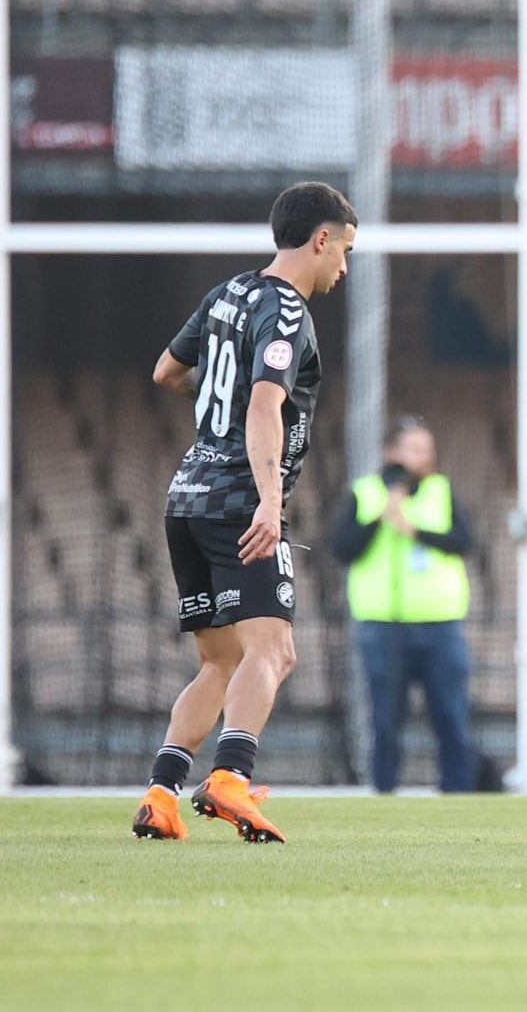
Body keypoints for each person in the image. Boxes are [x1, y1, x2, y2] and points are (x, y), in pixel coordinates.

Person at [132, 182, 357, 844]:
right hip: (237, 501)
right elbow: (264, 404)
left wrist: (216, 406)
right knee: (275, 649)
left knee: (220, 661)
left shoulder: (226, 293)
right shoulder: (287, 311)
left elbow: (166, 373)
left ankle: (161, 795)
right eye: (344, 251)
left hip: (188, 498)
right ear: (320, 240)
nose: (343, 267)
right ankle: (231, 779)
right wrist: (267, 499)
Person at [328, 417, 479, 794]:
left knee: (451, 715)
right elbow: (343, 548)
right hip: (383, 625)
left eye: (427, 450)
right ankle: (384, 793)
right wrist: (383, 516)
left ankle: (457, 794)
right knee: (385, 718)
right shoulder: (364, 493)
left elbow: (463, 540)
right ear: (391, 452)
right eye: (413, 449)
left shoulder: (442, 490)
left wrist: (416, 531)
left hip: (440, 624)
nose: (422, 457)